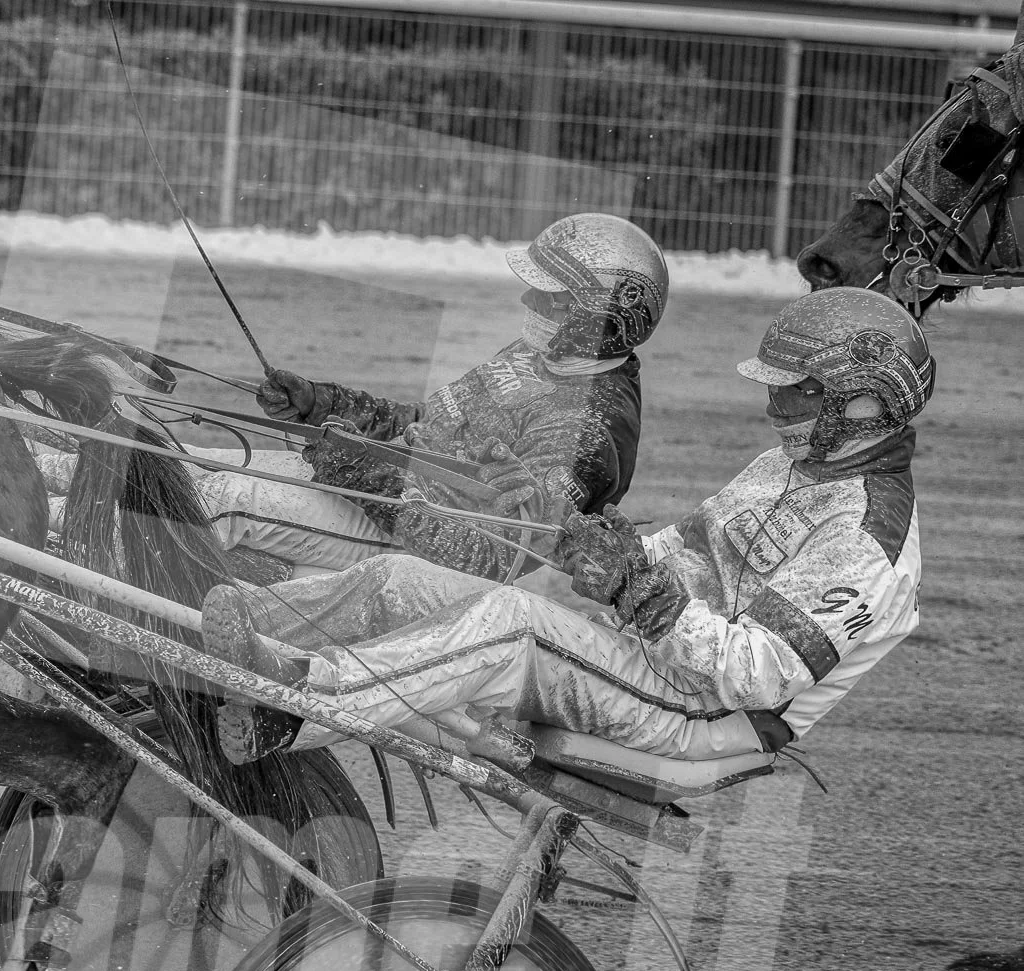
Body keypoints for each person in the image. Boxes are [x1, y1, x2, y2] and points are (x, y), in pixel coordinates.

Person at [202, 286, 931, 763]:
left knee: (510, 625)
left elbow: (759, 674)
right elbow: (680, 549)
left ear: (864, 402)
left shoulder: (866, 536)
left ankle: (296, 707)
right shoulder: (789, 464)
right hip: (645, 652)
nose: (775, 408)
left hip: (699, 713)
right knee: (401, 578)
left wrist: (636, 590)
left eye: (798, 394)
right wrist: (603, 544)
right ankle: (228, 631)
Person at [196, 211, 669, 579]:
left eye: (551, 296)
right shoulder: (549, 354)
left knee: (217, 499)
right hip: (380, 492)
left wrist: (360, 470)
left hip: (412, 549)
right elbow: (431, 421)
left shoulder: (588, 435)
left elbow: (491, 556)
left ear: (601, 314)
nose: (528, 301)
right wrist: (322, 403)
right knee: (189, 466)